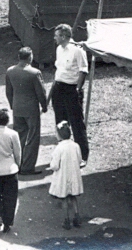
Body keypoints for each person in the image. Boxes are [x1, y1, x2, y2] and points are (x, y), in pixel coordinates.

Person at [50, 24, 90, 165]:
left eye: (56, 35)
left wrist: (77, 90)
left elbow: (83, 71)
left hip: (71, 89)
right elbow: (59, 70)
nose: (54, 38)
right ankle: (63, 154)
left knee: (76, 123)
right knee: (60, 123)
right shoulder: (58, 49)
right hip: (58, 88)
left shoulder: (77, 51)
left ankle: (82, 157)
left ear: (64, 36)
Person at [6, 46, 49, 175]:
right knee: (33, 137)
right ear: (30, 57)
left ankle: (17, 164)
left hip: (17, 108)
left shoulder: (10, 71)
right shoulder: (34, 73)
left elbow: (9, 92)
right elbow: (40, 92)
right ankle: (27, 167)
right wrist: (44, 105)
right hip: (31, 109)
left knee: (19, 137)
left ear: (19, 57)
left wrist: (12, 105)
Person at [49, 120, 85, 229]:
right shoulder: (75, 146)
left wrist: (52, 165)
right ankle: (77, 216)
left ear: (59, 135)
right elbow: (79, 160)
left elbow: (55, 165)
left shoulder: (59, 148)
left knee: (64, 197)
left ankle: (66, 219)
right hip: (73, 175)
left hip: (63, 176)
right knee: (73, 197)